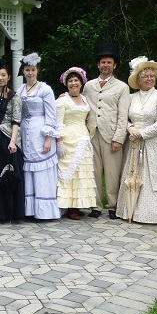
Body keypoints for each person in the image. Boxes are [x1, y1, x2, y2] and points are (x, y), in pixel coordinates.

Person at [116, 57, 157, 224]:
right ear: (138, 79)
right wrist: (130, 128)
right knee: (133, 174)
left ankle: (153, 214)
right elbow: (123, 117)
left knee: (153, 177)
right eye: (145, 76)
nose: (149, 79)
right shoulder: (131, 97)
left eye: (152, 76)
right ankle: (130, 210)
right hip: (134, 142)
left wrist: (142, 133)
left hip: (154, 142)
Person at [82, 43, 130, 219]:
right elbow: (81, 105)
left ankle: (113, 206)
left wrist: (118, 138)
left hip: (111, 135)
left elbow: (123, 115)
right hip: (92, 133)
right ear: (98, 65)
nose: (106, 65)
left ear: (114, 65)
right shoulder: (88, 86)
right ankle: (95, 206)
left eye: (109, 62)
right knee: (94, 171)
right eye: (103, 62)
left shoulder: (122, 87)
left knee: (112, 172)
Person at [17, 53, 60, 220]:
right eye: (27, 70)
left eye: (33, 70)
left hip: (41, 132)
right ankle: (31, 210)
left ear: (37, 71)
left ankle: (45, 211)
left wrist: (49, 138)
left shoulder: (45, 89)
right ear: (23, 71)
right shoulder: (20, 90)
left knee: (42, 169)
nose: (30, 73)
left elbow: (51, 115)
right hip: (26, 132)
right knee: (29, 168)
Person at [55, 67, 97, 220]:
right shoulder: (61, 101)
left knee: (81, 174)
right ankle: (70, 206)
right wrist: (59, 141)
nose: (73, 83)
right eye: (70, 81)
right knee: (69, 174)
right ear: (66, 84)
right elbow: (58, 123)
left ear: (81, 82)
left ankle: (79, 204)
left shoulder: (85, 99)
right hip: (68, 139)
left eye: (76, 80)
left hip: (83, 139)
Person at [0, 60, 25, 222]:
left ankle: (14, 212)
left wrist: (13, 142)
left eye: (3, 75)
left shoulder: (15, 97)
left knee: (10, 173)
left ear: (8, 77)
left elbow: (16, 121)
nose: (0, 78)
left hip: (8, 137)